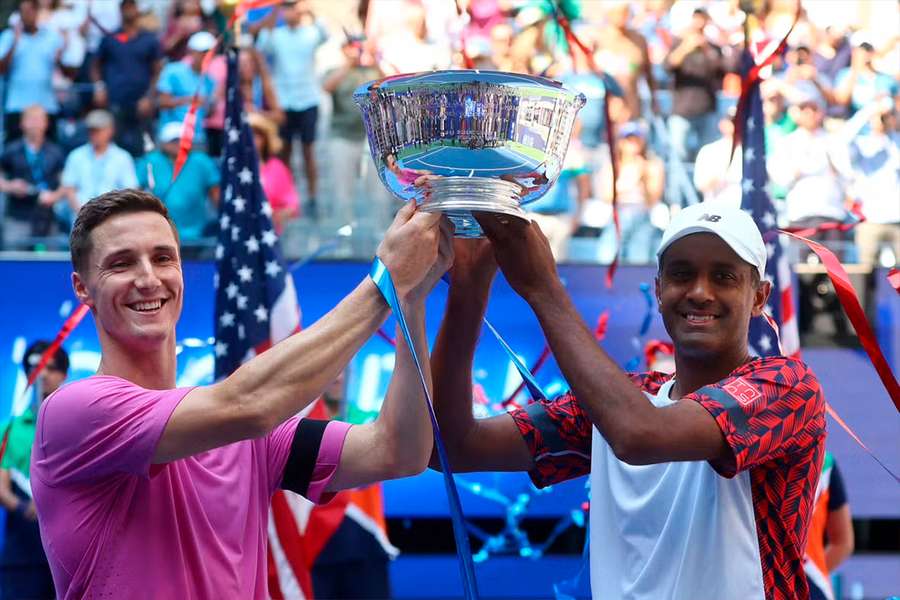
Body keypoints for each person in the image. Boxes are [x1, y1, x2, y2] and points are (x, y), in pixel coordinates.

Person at [31, 189, 452, 597]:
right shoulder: (74, 412)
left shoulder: (242, 434)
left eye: (163, 258)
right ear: (82, 287)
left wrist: (410, 302)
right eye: (121, 264)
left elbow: (400, 451)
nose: (148, 278)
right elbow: (249, 404)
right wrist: (385, 282)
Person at [431, 202, 826, 599]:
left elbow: (641, 435)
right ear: (658, 289)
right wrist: (468, 289)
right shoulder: (622, 401)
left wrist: (543, 288)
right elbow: (452, 447)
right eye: (681, 274)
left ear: (759, 297)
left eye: (724, 277)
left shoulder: (787, 387)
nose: (700, 292)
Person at [0, 341, 68, 600]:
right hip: (22, 555)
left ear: (64, 374)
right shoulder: (9, 429)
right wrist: (22, 507)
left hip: (70, 555)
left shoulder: (79, 426)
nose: (41, 374)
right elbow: (1, 485)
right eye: (34, 368)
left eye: (49, 368)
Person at [254, 0, 328, 216]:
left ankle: (313, 196)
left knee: (308, 151)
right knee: (284, 151)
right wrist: (275, 9)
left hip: (307, 99)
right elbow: (262, 45)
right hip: (284, 101)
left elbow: (325, 34)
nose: (290, 11)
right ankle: (287, 196)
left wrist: (309, 10)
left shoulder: (310, 32)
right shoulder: (277, 35)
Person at [92, 0, 163, 157]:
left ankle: (143, 180)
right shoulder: (110, 38)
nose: (129, 10)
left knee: (145, 147)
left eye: (132, 6)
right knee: (114, 145)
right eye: (125, 6)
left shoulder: (149, 39)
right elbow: (96, 65)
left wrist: (149, 97)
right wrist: (99, 87)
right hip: (116, 100)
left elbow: (158, 70)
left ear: (138, 9)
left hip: (141, 102)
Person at [136, 121, 220, 244]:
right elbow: (135, 192)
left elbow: (216, 196)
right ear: (163, 143)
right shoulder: (150, 161)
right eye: (174, 140)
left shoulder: (202, 161)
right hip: (157, 234)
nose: (179, 144)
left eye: (182, 139)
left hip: (197, 236)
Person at [665, 8, 732, 163]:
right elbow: (667, 66)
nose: (699, 23)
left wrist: (707, 47)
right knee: (678, 156)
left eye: (702, 19)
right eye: (696, 19)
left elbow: (725, 69)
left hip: (706, 109)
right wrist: (686, 47)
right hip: (682, 110)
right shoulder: (678, 43)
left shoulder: (712, 47)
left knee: (706, 157)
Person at [0, 105, 67, 249]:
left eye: (39, 120)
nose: (35, 124)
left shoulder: (55, 151)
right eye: (31, 119)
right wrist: (10, 186)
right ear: (22, 123)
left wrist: (54, 196)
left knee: (49, 265)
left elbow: (66, 183)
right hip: (18, 216)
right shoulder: (11, 150)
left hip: (47, 216)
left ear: (46, 123)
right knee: (14, 263)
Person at [0, 0, 66, 142]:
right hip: (17, 105)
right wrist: (14, 44)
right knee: (13, 153)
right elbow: (1, 69)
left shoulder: (52, 37)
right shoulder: (9, 36)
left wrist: (61, 56)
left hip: (46, 104)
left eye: (29, 11)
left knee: (50, 153)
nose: (26, 16)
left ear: (36, 12)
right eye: (23, 12)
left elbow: (67, 71)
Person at [59, 109, 138, 225]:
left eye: (99, 130)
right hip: (80, 220)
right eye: (91, 130)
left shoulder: (122, 157)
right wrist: (82, 214)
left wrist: (114, 213)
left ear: (110, 130)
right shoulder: (76, 155)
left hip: (112, 219)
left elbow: (130, 190)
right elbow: (69, 188)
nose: (94, 134)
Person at [804, 452, 853, 600]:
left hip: (812, 585)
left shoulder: (826, 465)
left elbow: (843, 543)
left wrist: (813, 572)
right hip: (756, 582)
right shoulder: (752, 452)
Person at [156, 30, 216, 146]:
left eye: (209, 53)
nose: (206, 56)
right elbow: (162, 102)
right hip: (172, 137)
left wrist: (212, 104)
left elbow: (207, 113)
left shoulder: (209, 81)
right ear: (192, 52)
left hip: (197, 138)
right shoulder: (173, 71)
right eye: (202, 52)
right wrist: (189, 100)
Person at [249, 112, 299, 234]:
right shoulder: (233, 167)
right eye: (248, 134)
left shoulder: (276, 167)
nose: (252, 139)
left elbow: (292, 203)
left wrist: (279, 215)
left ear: (265, 139)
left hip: (270, 233)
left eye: (257, 135)